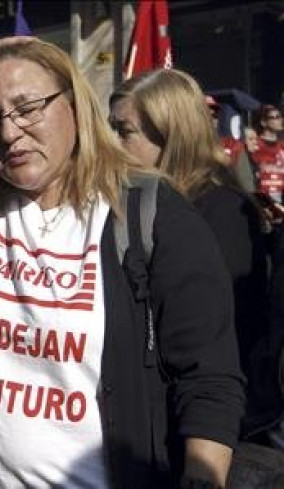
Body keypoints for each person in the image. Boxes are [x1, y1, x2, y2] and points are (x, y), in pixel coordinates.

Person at [0, 37, 243, 488]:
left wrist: (201, 476)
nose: (10, 133)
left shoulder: (149, 214)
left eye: (28, 107)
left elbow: (208, 376)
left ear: (75, 104)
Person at [109, 68, 271, 438]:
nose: (112, 143)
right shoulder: (132, 203)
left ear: (171, 134)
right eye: (110, 127)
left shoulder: (222, 211)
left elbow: (226, 339)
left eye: (125, 131)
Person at [250, 104, 284, 204]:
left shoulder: (282, 145)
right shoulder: (255, 144)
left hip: (281, 195)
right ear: (263, 123)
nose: (280, 120)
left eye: (280, 116)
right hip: (263, 197)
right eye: (275, 117)